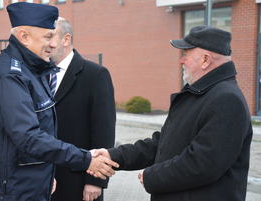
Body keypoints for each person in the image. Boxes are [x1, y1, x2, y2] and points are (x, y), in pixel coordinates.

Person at [0, 2, 118, 201]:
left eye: (54, 36)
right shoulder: (12, 77)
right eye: (47, 36)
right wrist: (85, 159)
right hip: (15, 189)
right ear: (24, 37)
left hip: (36, 181)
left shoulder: (35, 71)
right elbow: (27, 135)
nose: (52, 44)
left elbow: (102, 129)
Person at [92, 26, 253, 201]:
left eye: (186, 54)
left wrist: (151, 177)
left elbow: (202, 164)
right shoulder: (200, 93)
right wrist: (114, 155)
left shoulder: (226, 99)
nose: (181, 61)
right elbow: (163, 144)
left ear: (205, 60)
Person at [48, 18, 116, 201]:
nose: (45, 43)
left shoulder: (95, 75)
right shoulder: (39, 74)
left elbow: (104, 132)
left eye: (50, 36)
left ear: (66, 39)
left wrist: (95, 181)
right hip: (44, 177)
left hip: (77, 180)